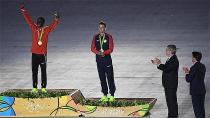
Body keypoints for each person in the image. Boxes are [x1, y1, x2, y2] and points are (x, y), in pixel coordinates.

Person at [20, 3, 59, 93]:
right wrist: (23, 11)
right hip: (34, 54)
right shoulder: (34, 27)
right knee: (34, 71)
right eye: (37, 22)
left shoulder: (46, 29)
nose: (38, 24)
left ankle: (43, 87)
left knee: (43, 71)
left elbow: (53, 25)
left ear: (42, 23)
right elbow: (28, 19)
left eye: (39, 23)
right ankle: (34, 87)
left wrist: (56, 19)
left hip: (42, 54)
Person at [91, 21, 116, 102]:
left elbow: (111, 48)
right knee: (102, 78)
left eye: (103, 27)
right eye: (100, 27)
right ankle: (104, 95)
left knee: (110, 78)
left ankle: (112, 95)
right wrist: (98, 53)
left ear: (105, 28)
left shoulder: (109, 37)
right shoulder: (95, 37)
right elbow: (92, 48)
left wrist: (104, 53)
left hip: (107, 60)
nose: (101, 29)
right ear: (98, 28)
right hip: (99, 61)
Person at [151, 45, 179, 118]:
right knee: (170, 101)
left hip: (171, 85)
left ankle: (173, 116)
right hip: (168, 84)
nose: (165, 51)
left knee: (171, 101)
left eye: (167, 50)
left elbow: (167, 69)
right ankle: (171, 115)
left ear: (171, 51)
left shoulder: (174, 60)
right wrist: (158, 64)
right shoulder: (170, 59)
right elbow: (167, 67)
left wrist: (159, 64)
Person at [183, 51, 206, 118]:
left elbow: (188, 79)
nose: (191, 58)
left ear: (195, 58)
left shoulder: (193, 68)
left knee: (197, 109)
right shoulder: (203, 66)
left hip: (195, 91)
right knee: (201, 107)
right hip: (202, 90)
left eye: (192, 56)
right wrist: (190, 72)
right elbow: (197, 75)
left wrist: (187, 73)